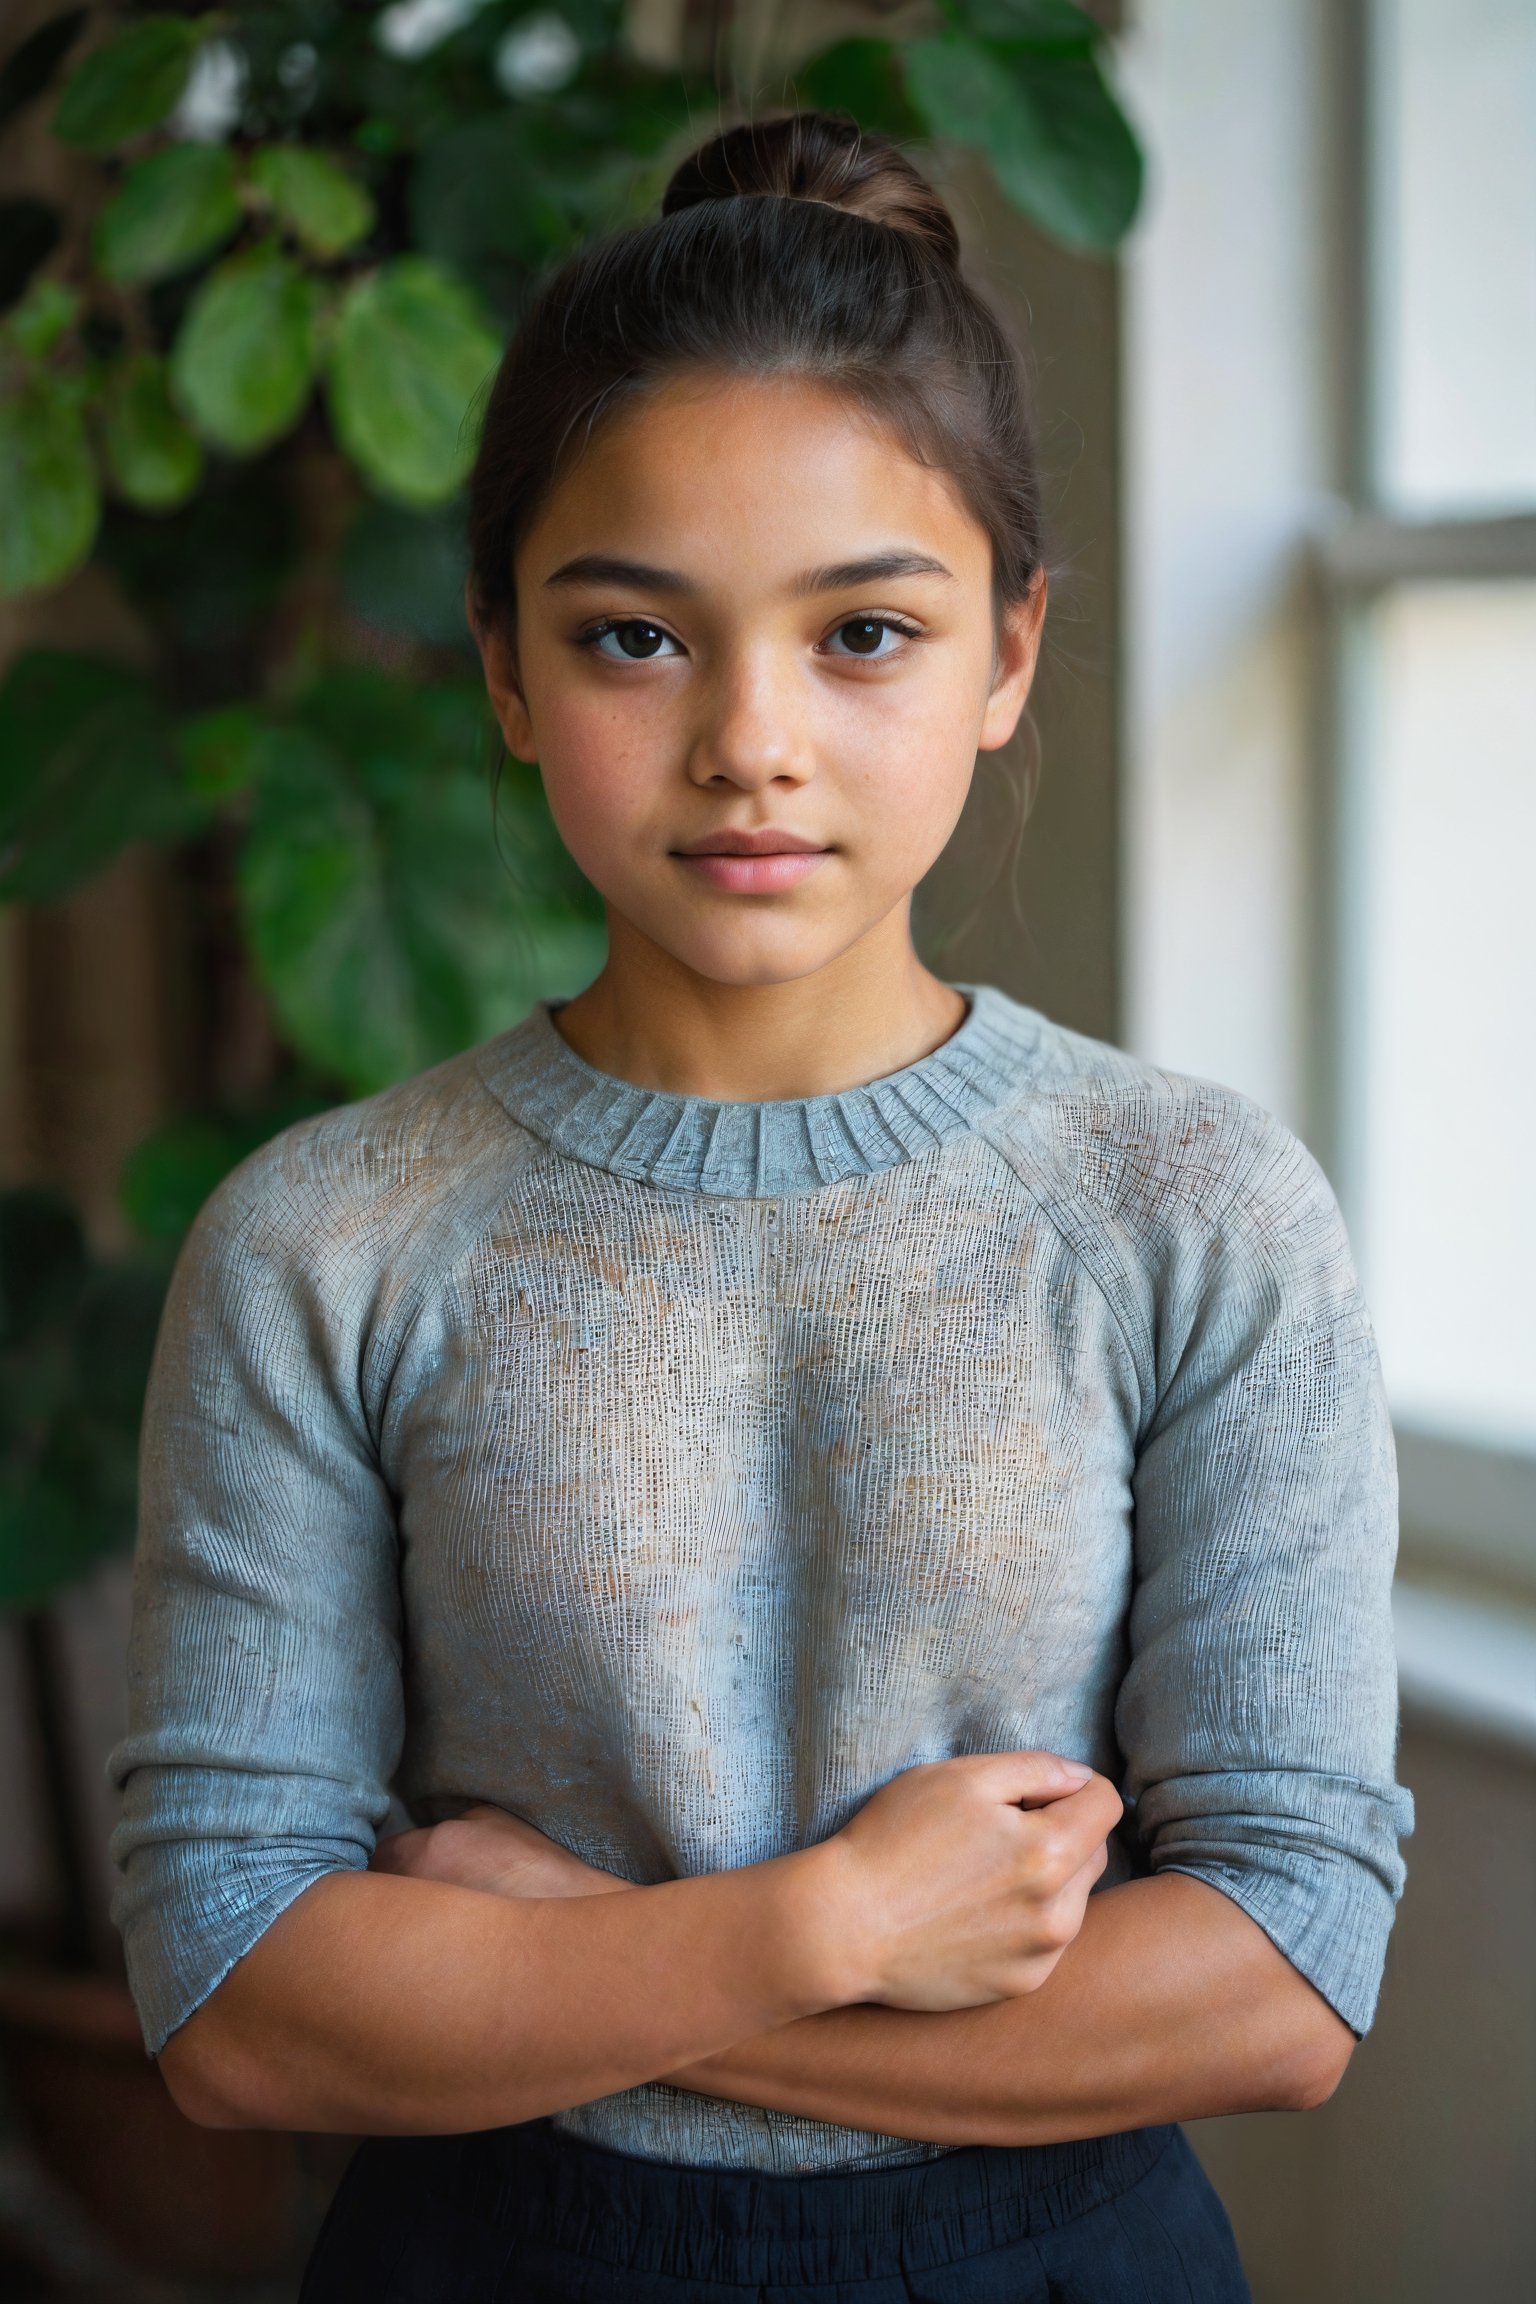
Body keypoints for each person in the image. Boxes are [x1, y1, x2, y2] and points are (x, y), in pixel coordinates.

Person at [111, 113, 1412, 2303]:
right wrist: (821, 1933)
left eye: (865, 635)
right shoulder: (323, 1240)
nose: (750, 742)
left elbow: (1281, 1981)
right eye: (635, 638)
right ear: (509, 670)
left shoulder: (1196, 1208)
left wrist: (598, 1967)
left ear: (1010, 658)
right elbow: (236, 2000)